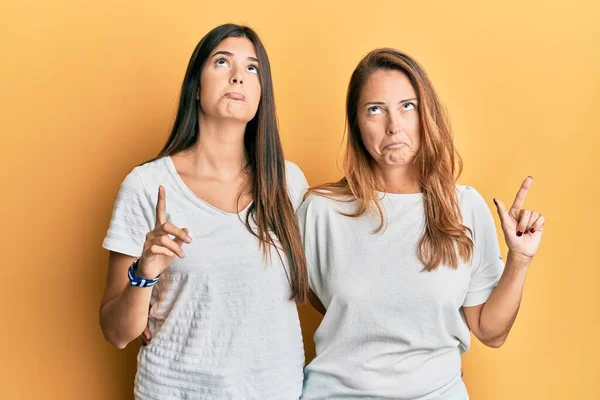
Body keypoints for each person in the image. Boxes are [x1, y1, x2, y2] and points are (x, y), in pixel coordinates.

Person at [298, 48, 545, 399]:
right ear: (356, 124)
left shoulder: (464, 207)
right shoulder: (321, 211)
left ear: (425, 114)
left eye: (406, 106)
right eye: (374, 109)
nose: (393, 126)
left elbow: (491, 332)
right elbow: (315, 299)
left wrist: (520, 259)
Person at [99, 23, 309, 399]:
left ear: (262, 94)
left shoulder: (288, 183)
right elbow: (116, 333)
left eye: (252, 68)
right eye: (222, 62)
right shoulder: (147, 186)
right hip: (176, 390)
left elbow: (328, 285)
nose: (237, 77)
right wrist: (143, 274)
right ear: (196, 87)